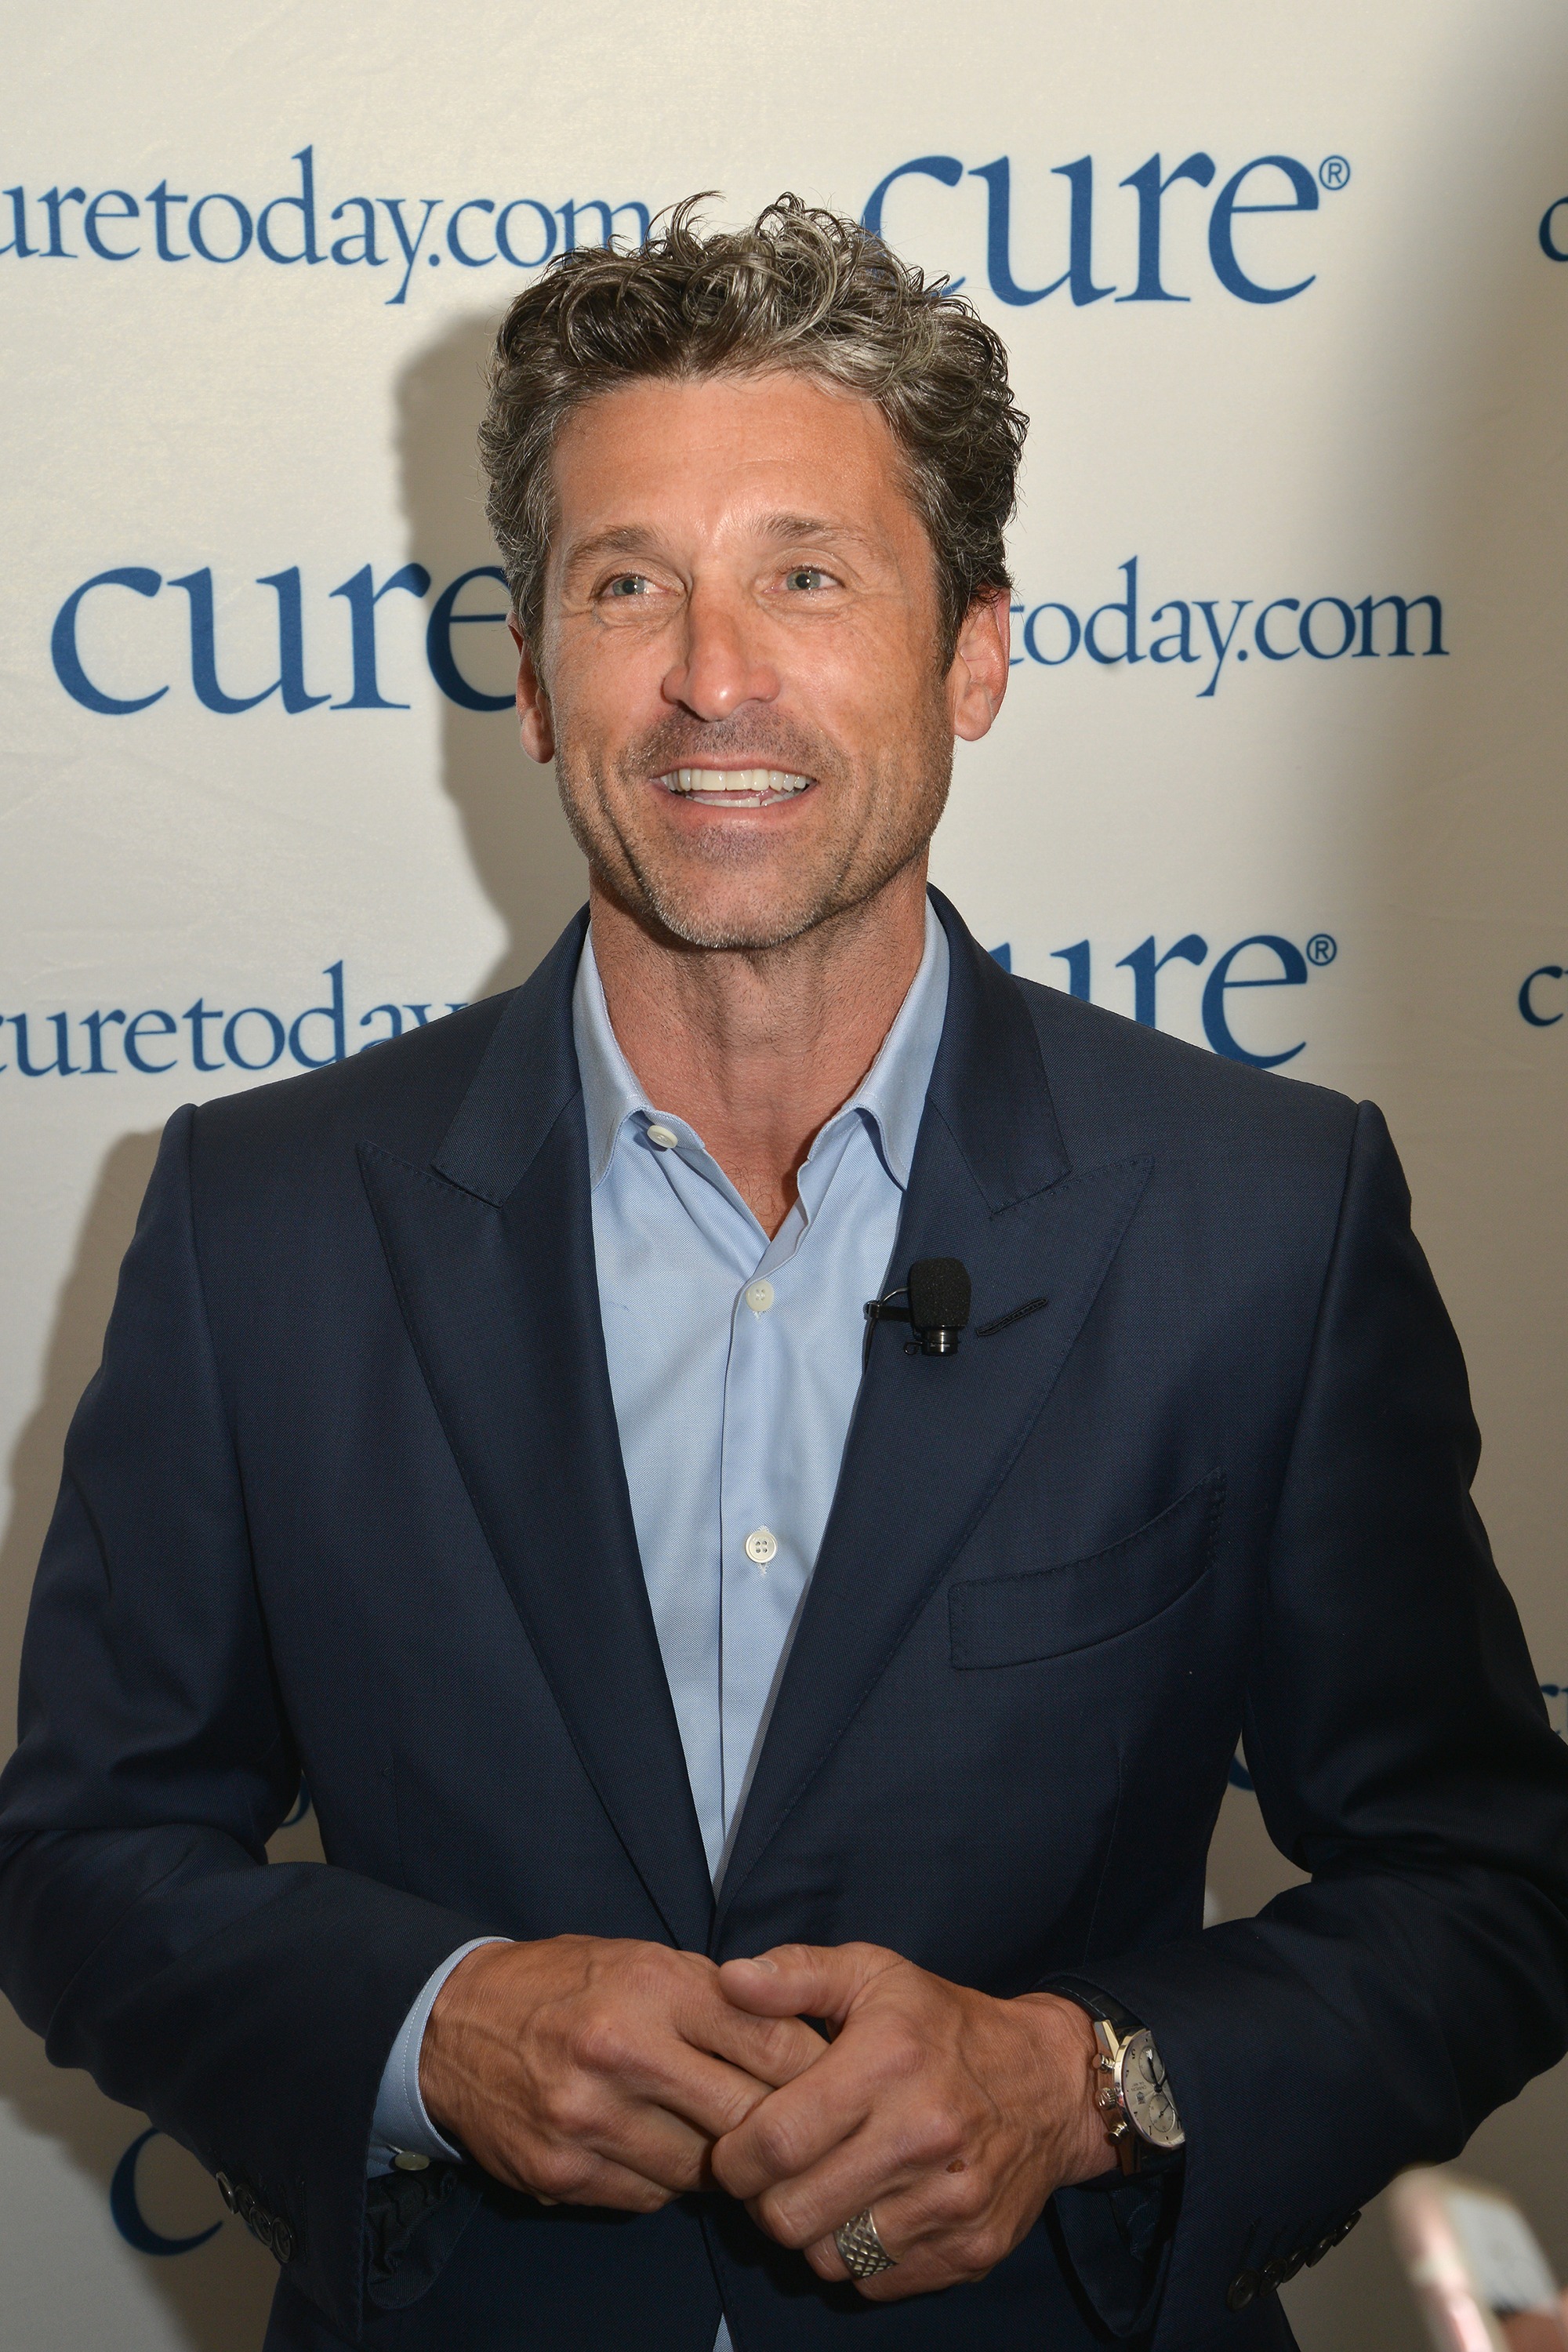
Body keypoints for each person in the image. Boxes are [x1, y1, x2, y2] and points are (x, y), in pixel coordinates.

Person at [2, 194, 1566, 2352]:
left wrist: (1092, 2086)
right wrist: (430, 2025)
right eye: (627, 583)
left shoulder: (1261, 1216)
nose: (711, 675)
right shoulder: (263, 1216)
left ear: (977, 652)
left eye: (806, 578)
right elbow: (84, 1862)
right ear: (536, 674)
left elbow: (1486, 1884)